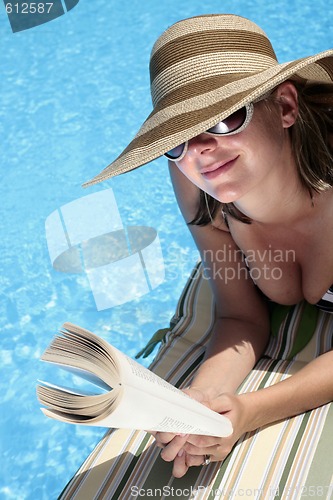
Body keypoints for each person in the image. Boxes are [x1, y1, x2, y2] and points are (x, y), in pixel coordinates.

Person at [84, 14, 333, 478]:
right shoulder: (197, 186)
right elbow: (239, 315)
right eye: (176, 140)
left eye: (223, 118)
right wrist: (199, 406)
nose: (197, 151)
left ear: (284, 106)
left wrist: (251, 411)